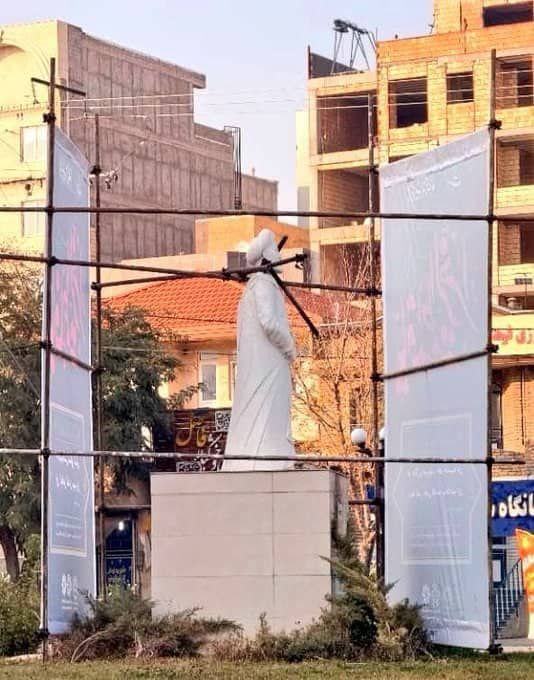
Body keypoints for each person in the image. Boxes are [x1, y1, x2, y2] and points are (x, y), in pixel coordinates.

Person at [223, 229, 296, 471]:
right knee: (269, 410)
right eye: (274, 250)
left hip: (262, 363)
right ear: (267, 255)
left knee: (267, 410)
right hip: (269, 363)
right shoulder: (264, 284)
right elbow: (269, 322)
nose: (278, 255)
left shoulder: (253, 287)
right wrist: (289, 346)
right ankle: (269, 455)